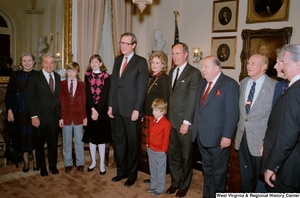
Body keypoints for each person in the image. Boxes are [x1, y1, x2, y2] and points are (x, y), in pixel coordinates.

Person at [192, 55, 239, 197]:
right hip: (202, 136)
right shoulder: (202, 83)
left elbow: (232, 113)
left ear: (217, 67)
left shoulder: (229, 84)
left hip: (219, 139)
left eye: (206, 67)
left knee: (218, 173)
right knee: (206, 170)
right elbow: (198, 109)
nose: (203, 70)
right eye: (202, 66)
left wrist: (227, 136)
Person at [108, 32, 148, 187]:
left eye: (126, 43)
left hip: (132, 111)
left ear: (134, 45)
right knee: (119, 142)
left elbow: (142, 88)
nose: (123, 46)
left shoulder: (141, 62)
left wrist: (137, 109)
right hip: (117, 108)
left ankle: (132, 175)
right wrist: (111, 104)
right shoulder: (117, 60)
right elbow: (114, 84)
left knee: (132, 144)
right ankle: (121, 172)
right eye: (121, 43)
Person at [234, 54, 276, 192]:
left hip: (261, 142)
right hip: (242, 138)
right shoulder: (244, 82)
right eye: (248, 62)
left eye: (253, 63)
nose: (249, 65)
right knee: (245, 178)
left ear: (264, 67)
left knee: (261, 182)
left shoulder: (274, 86)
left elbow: (274, 119)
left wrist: (267, 141)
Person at [261, 44, 300, 193]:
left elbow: (288, 135)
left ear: (298, 64)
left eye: (283, 62)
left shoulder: (295, 92)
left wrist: (272, 166)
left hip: (287, 169)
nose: (280, 67)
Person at [166, 42, 201, 197]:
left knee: (186, 156)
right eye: (173, 53)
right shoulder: (172, 71)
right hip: (171, 121)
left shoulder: (194, 73)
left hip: (184, 123)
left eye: (178, 53)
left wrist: (186, 122)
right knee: (173, 154)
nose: (175, 56)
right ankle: (175, 182)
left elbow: (192, 100)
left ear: (186, 54)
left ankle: (184, 185)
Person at [26, 53, 61, 177]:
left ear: (54, 64)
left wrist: (60, 116)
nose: (49, 65)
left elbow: (57, 98)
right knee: (39, 144)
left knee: (53, 143)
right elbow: (30, 98)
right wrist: (34, 116)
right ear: (42, 63)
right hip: (39, 117)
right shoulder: (34, 77)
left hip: (53, 116)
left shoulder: (57, 76)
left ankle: (53, 165)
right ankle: (42, 167)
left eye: (52, 62)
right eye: (46, 62)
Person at [5, 53, 38, 172]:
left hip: (34, 111)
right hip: (19, 111)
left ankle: (35, 161)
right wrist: (9, 110)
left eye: (30, 60)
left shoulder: (38, 75)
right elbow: (9, 94)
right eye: (25, 61)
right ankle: (26, 162)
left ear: (34, 62)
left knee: (34, 137)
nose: (27, 63)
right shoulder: (15, 75)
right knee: (22, 137)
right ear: (21, 63)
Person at [141, 51, 169, 184]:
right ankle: (152, 176)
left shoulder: (164, 78)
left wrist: (162, 118)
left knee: (157, 150)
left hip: (157, 117)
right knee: (149, 149)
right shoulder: (148, 76)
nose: (154, 65)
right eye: (152, 62)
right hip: (146, 115)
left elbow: (165, 100)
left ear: (163, 65)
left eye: (157, 63)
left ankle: (159, 179)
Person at [82, 54, 111, 176]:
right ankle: (93, 162)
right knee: (92, 138)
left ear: (100, 63)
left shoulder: (106, 76)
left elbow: (104, 94)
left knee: (101, 139)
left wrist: (97, 111)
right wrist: (93, 109)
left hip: (102, 111)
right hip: (90, 109)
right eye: (92, 62)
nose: (94, 64)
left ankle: (102, 164)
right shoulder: (87, 75)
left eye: (96, 62)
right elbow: (87, 93)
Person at [59, 61, 87, 173]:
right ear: (66, 71)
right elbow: (59, 102)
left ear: (77, 72)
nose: (71, 73)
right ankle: (68, 163)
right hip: (65, 116)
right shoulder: (61, 85)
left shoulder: (82, 85)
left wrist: (84, 117)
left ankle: (80, 163)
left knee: (79, 141)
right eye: (69, 70)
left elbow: (84, 102)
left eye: (73, 71)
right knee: (66, 141)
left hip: (78, 116)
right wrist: (60, 118)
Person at [146, 98, 171, 196]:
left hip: (160, 150)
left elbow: (166, 138)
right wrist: (148, 143)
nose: (154, 112)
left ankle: (160, 188)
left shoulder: (166, 123)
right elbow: (149, 133)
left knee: (160, 169)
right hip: (151, 148)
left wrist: (163, 150)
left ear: (163, 111)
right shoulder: (152, 119)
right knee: (152, 168)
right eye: (153, 110)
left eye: (156, 110)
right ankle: (153, 185)